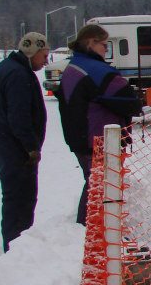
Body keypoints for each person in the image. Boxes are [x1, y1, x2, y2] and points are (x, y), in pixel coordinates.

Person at [56, 24, 143, 225]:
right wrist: (135, 102)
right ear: (91, 43)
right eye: (104, 45)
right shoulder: (97, 71)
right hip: (98, 140)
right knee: (100, 186)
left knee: (94, 183)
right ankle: (90, 229)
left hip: (79, 137)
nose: (106, 50)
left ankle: (91, 229)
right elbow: (130, 102)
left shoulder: (72, 67)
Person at [0, 32, 49, 251]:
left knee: (17, 196)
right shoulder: (18, 75)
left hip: (6, 141)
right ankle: (16, 246)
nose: (45, 62)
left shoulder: (9, 68)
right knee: (20, 198)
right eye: (44, 56)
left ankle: (18, 241)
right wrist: (31, 147)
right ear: (33, 52)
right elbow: (19, 115)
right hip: (14, 146)